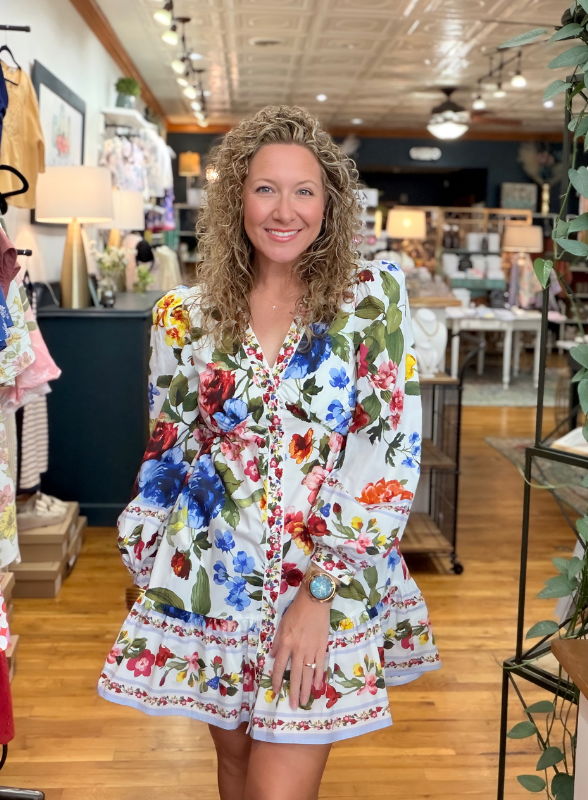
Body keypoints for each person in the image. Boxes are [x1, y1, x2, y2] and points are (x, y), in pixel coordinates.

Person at [98, 105, 440, 800]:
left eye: (304, 190)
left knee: (276, 791)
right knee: (235, 772)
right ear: (236, 202)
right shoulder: (186, 315)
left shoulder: (368, 302)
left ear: (330, 205)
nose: (284, 210)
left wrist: (322, 588)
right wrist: (147, 546)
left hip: (321, 582)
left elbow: (388, 445)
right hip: (215, 581)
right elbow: (173, 445)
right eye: (265, 189)